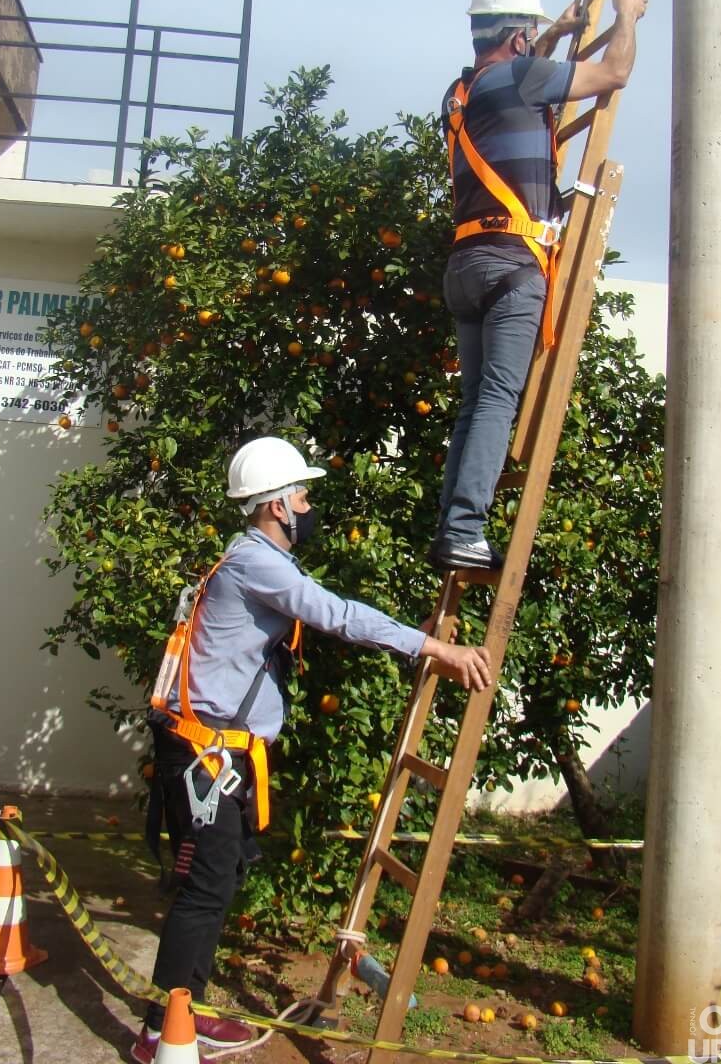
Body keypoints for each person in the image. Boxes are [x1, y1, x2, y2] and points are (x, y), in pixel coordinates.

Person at [133, 436, 491, 1063]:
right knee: (206, 888)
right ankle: (162, 1032)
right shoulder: (258, 563)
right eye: (301, 493)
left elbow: (327, 614)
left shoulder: (256, 560)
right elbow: (337, 614)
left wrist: (414, 636)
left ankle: (190, 1009)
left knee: (223, 877)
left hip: (221, 757)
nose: (306, 503)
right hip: (206, 759)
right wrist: (435, 648)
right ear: (276, 506)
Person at [429, 0, 648, 571]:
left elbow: (523, 69)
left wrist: (553, 33)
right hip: (511, 263)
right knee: (497, 399)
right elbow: (614, 74)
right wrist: (624, 14)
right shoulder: (523, 76)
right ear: (519, 36)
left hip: (467, 263)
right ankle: (465, 526)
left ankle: (454, 528)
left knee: (475, 402)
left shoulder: (462, 93)